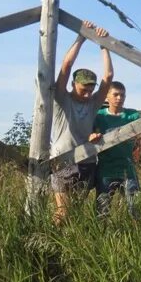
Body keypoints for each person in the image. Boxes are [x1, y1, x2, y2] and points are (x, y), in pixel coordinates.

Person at [50, 20, 113, 224]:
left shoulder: (93, 104)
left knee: (75, 212)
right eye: (83, 88)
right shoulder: (62, 99)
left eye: (91, 89)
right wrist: (82, 36)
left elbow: (108, 76)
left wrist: (104, 44)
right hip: (63, 161)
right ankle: (51, 247)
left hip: (86, 162)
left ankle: (69, 249)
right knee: (62, 212)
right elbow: (66, 66)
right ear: (73, 85)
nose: (87, 93)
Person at [90, 82, 141, 218]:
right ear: (107, 97)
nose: (119, 98)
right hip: (106, 171)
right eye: (115, 95)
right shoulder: (99, 116)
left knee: (135, 208)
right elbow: (87, 133)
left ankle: (137, 236)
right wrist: (91, 135)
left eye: (122, 95)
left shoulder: (131, 115)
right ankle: (101, 237)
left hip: (127, 169)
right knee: (102, 210)